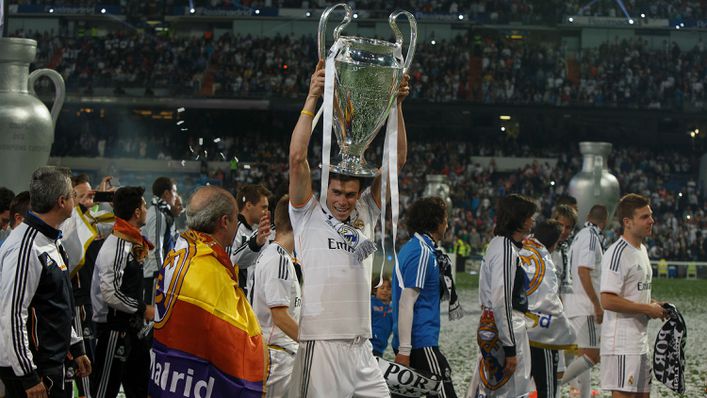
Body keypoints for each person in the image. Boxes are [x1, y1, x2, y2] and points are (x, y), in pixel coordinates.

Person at [287, 60, 409, 397]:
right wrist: (312, 97)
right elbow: (297, 158)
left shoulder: (367, 210)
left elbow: (395, 165)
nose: (343, 201)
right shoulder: (307, 212)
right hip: (320, 340)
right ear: (326, 187)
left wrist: (396, 105)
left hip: (361, 343)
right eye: (337, 193)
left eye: (350, 194)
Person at [151, 186, 266, 397]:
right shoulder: (211, 271)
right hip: (193, 382)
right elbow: (236, 340)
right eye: (235, 220)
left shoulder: (179, 251)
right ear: (224, 222)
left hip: (168, 373)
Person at [0, 166, 91, 398]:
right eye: (72, 194)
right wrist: (28, 376)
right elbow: (11, 315)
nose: (75, 199)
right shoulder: (26, 247)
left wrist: (75, 346)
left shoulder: (50, 239)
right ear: (62, 201)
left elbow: (57, 304)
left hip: (50, 362)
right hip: (33, 369)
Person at [392, 196, 460, 398]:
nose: (447, 224)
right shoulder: (421, 252)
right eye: (445, 218)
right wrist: (405, 350)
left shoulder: (415, 248)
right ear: (436, 221)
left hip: (414, 343)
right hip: (420, 343)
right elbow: (406, 302)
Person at [600, 194, 667, 397]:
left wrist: (656, 304)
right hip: (621, 343)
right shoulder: (617, 253)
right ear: (627, 222)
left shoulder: (642, 250)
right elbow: (607, 299)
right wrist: (648, 309)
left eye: (651, 215)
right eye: (645, 217)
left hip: (639, 341)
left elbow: (634, 293)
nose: (651, 221)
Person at [90, 187, 153, 398]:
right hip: (114, 331)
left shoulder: (130, 240)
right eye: (144, 206)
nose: (146, 210)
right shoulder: (116, 245)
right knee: (105, 391)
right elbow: (111, 293)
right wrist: (143, 308)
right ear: (136, 212)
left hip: (133, 329)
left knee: (140, 389)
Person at [471, 194, 537, 397]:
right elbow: (502, 302)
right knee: (512, 391)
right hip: (505, 328)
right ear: (519, 219)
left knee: (493, 390)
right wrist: (510, 348)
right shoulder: (506, 249)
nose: (533, 221)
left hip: (494, 324)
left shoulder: (498, 244)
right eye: (529, 216)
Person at [247, 195, 300, 397]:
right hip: (277, 358)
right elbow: (280, 316)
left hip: (282, 356)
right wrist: (313, 344)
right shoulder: (278, 259)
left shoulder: (279, 256)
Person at [520, 220, 575, 398]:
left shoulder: (521, 249)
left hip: (517, 328)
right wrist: (565, 328)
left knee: (517, 387)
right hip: (541, 331)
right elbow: (549, 300)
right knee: (547, 388)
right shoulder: (545, 260)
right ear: (553, 242)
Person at [560, 205, 609, 397]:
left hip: (574, 303)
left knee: (583, 356)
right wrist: (596, 304)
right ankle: (549, 384)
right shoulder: (590, 237)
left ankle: (583, 394)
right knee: (591, 355)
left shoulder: (580, 235)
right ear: (605, 221)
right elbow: (583, 270)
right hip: (585, 306)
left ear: (588, 216)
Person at [230, 184, 272, 296]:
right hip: (235, 299)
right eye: (263, 207)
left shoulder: (258, 232)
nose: (266, 211)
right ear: (248, 205)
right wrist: (255, 243)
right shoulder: (234, 230)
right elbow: (229, 262)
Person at [142, 177, 178, 304]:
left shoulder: (163, 212)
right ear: (166, 193)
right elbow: (155, 248)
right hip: (154, 276)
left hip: (159, 273)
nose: (176, 196)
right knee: (153, 317)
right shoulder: (157, 214)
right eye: (174, 192)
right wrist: (160, 276)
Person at [370, 277, 393, 358]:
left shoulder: (392, 308)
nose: (385, 290)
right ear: (375, 289)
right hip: (368, 346)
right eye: (382, 287)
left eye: (388, 288)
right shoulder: (370, 303)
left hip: (381, 348)